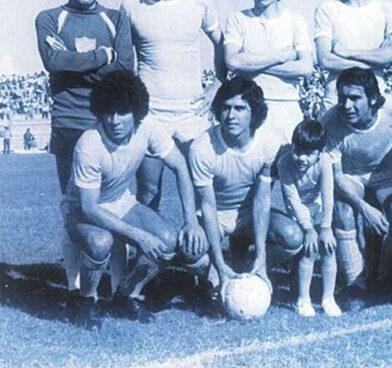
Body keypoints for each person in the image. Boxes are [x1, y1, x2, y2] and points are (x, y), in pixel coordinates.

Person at [62, 71, 201, 329]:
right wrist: (137, 235)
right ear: (100, 111)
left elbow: (181, 167)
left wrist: (191, 220)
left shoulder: (148, 128)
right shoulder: (89, 144)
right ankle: (86, 301)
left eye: (123, 112)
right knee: (100, 242)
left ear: (136, 112)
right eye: (109, 112)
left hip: (120, 201)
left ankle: (124, 295)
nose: (115, 120)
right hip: (80, 209)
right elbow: (89, 208)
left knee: (167, 240)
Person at [36, 0, 133, 297]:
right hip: (69, 124)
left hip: (107, 124)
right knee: (73, 206)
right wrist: (102, 57)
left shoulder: (115, 18)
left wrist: (75, 64)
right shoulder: (50, 18)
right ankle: (75, 289)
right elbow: (53, 61)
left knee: (115, 204)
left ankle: (119, 288)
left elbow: (125, 69)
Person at [121, 0, 224, 211]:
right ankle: (149, 240)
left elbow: (222, 43)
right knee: (148, 190)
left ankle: (201, 239)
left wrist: (217, 84)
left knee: (201, 186)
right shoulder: (132, 5)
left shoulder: (199, 0)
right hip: (151, 112)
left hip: (192, 113)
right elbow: (125, 59)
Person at [188, 77, 304, 304]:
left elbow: (262, 200)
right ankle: (216, 270)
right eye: (226, 108)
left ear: (255, 112)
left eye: (240, 108)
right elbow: (208, 206)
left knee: (292, 237)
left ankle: (250, 267)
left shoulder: (271, 141)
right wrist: (218, 264)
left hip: (249, 212)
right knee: (189, 250)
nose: (231, 116)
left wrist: (261, 256)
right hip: (218, 214)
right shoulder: (202, 148)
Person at [321, 67, 392, 307]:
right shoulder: (329, 122)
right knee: (343, 211)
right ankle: (355, 286)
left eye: (354, 98)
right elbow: (336, 175)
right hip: (351, 175)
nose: (346, 105)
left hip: (386, 173)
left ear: (373, 98)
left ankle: (385, 280)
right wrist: (363, 207)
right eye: (342, 98)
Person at [224, 0, 313, 143]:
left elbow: (305, 67)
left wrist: (249, 64)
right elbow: (232, 61)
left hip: (287, 107)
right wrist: (281, 56)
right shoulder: (238, 19)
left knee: (286, 158)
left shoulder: (295, 21)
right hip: (250, 106)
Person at [278, 120, 342, 317]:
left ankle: (328, 298)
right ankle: (303, 299)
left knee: (328, 248)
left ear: (319, 153)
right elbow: (293, 201)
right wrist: (308, 229)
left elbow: (328, 194)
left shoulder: (325, 161)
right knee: (310, 250)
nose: (301, 158)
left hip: (319, 208)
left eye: (309, 154)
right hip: (298, 212)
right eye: (298, 151)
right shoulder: (284, 163)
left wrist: (326, 227)